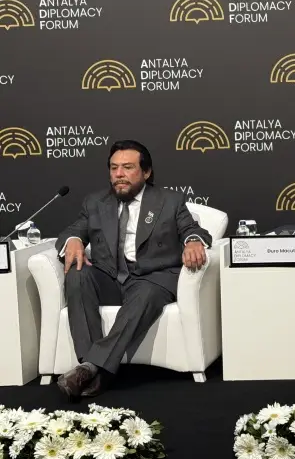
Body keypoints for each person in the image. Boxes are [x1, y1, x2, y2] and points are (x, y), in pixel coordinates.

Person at [55, 140, 212, 398]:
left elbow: (192, 229)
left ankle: (91, 369)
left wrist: (193, 241)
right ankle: (91, 366)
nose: (119, 174)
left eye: (127, 167)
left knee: (146, 293)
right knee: (77, 274)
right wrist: (73, 240)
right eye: (114, 168)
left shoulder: (169, 201)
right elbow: (73, 231)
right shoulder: (95, 202)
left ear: (146, 172)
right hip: (109, 277)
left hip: (151, 278)